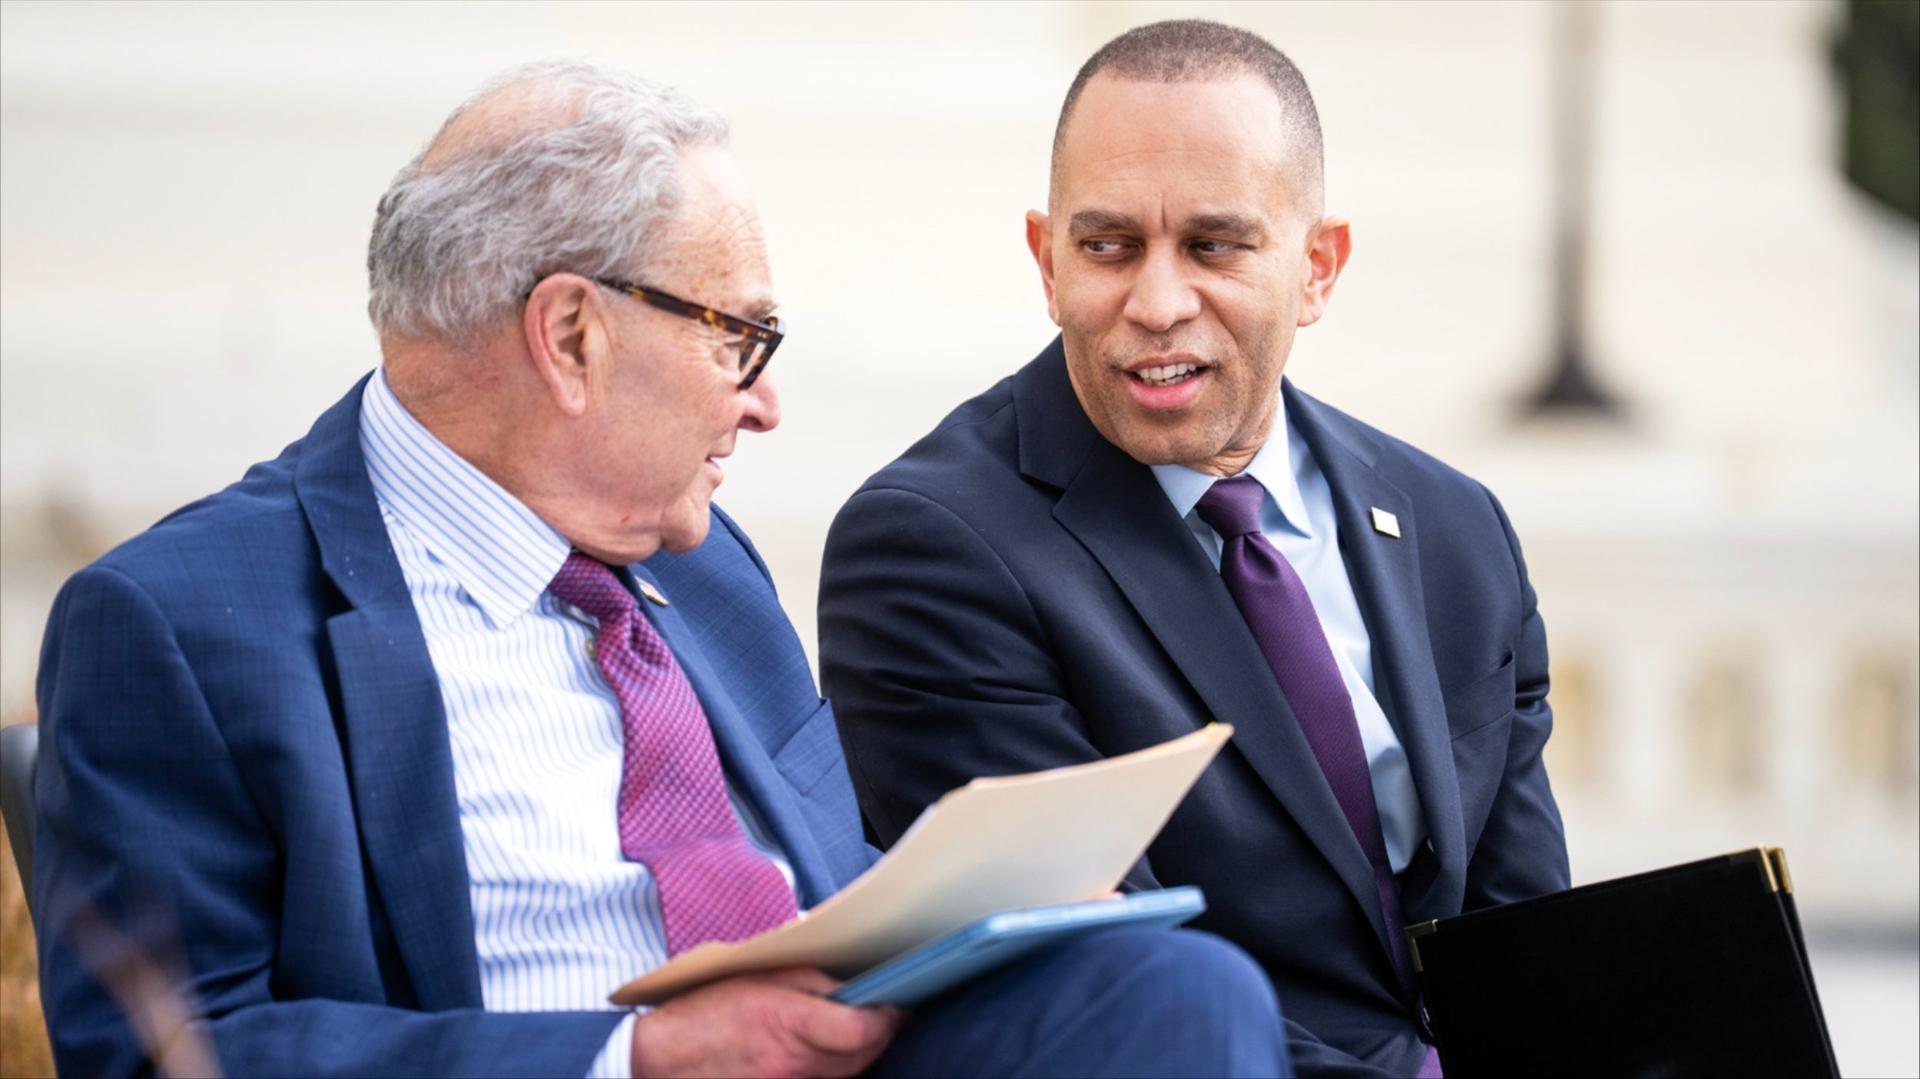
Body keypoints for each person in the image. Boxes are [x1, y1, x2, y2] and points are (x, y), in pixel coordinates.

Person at [32, 58, 1294, 1079]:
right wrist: (633, 1056)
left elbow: (829, 895)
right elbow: (162, 1054)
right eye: (739, 335)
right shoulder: (177, 620)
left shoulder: (704, 566)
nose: (766, 404)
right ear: (572, 336)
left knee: (1180, 989)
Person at [819, 20, 1570, 1079]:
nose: (1157, 305)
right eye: (1108, 245)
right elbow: (1112, 994)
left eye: (1214, 245)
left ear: (1318, 266)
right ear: (1046, 259)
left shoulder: (1456, 528)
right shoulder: (932, 547)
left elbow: (1524, 937)